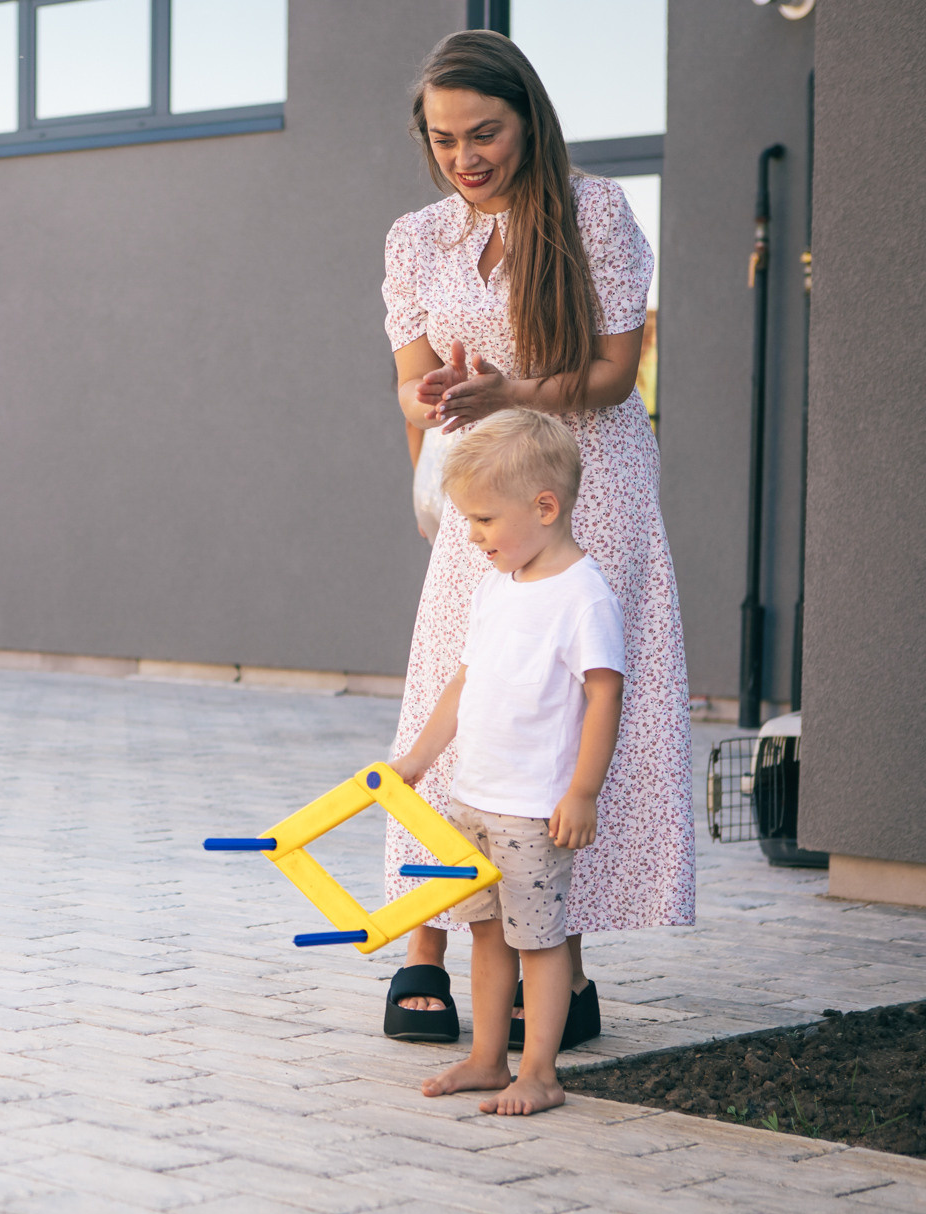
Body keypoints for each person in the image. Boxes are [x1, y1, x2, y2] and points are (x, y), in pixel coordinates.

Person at [378, 30, 694, 1043]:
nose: (463, 158)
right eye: (442, 140)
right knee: (453, 695)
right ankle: (422, 947)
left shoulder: (595, 212)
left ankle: (557, 955)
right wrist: (431, 432)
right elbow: (407, 386)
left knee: (559, 707)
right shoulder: (413, 238)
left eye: (484, 133)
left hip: (584, 488)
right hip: (479, 493)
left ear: (528, 120)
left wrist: (508, 391)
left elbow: (609, 375)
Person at [392, 410, 623, 1114]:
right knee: (487, 935)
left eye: (485, 519)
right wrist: (418, 759)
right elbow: (465, 680)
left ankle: (541, 1073)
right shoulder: (498, 585)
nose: (472, 534)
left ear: (544, 507)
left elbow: (605, 694)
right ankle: (490, 1059)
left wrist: (582, 791)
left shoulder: (584, 596)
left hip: (531, 808)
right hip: (474, 798)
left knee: (539, 944)